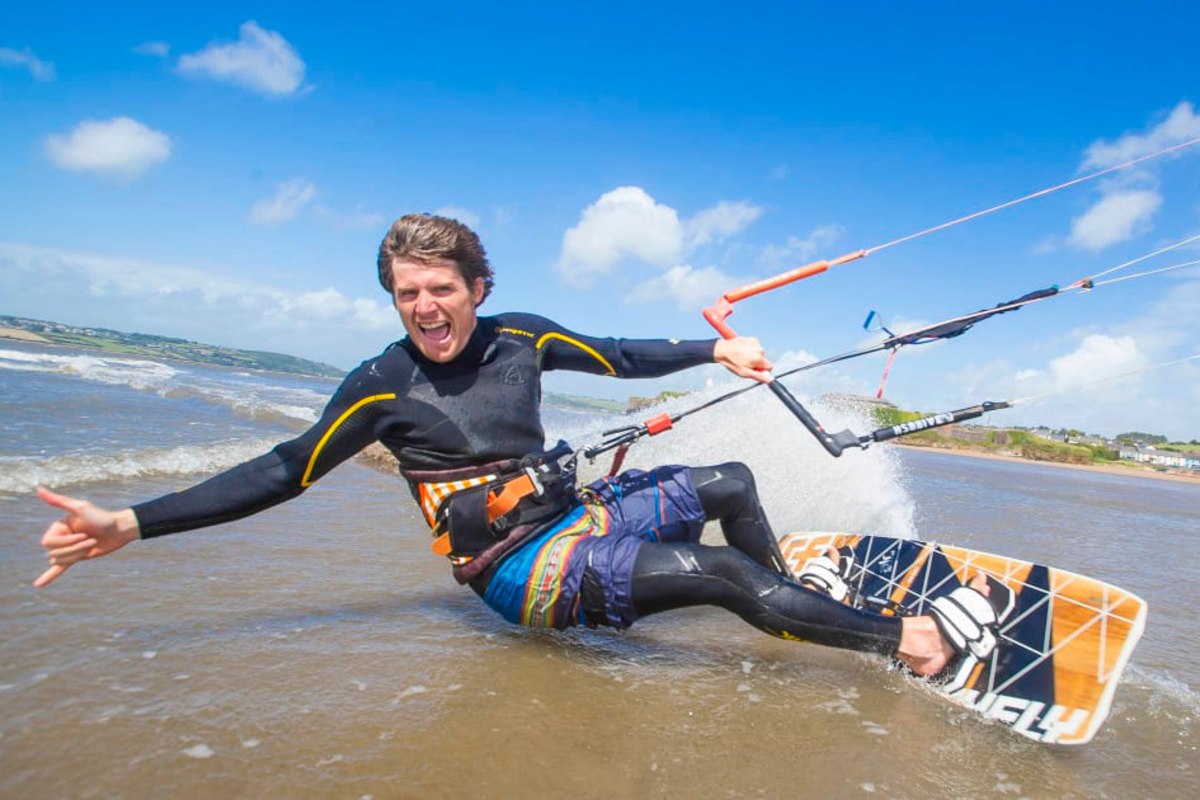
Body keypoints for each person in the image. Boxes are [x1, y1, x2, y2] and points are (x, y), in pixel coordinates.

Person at [35, 214, 1005, 677]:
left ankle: (792, 595)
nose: (425, 308)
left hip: (573, 511)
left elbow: (621, 352)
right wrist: (130, 518)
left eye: (440, 288)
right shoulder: (381, 385)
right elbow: (284, 468)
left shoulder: (524, 339)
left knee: (730, 478)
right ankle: (906, 642)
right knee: (711, 576)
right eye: (407, 293)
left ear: (477, 286)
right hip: (520, 568)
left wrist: (719, 346)